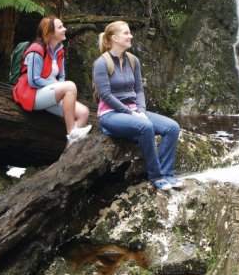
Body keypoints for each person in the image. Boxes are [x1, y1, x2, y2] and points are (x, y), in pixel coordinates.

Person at [93, 21, 182, 191]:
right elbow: (106, 95)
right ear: (114, 38)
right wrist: (131, 114)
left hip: (134, 111)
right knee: (145, 126)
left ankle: (167, 173)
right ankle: (156, 176)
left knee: (172, 127)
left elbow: (139, 90)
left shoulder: (133, 60)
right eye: (126, 33)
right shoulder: (101, 63)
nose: (130, 36)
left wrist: (140, 110)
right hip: (110, 114)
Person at [13, 16, 92, 144]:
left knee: (84, 113)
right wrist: (58, 86)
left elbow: (61, 76)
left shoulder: (59, 50)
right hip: (31, 94)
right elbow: (34, 80)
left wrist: (59, 86)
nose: (64, 29)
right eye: (60, 27)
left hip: (47, 92)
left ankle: (66, 159)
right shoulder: (36, 49)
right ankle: (72, 132)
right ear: (49, 32)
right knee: (70, 86)